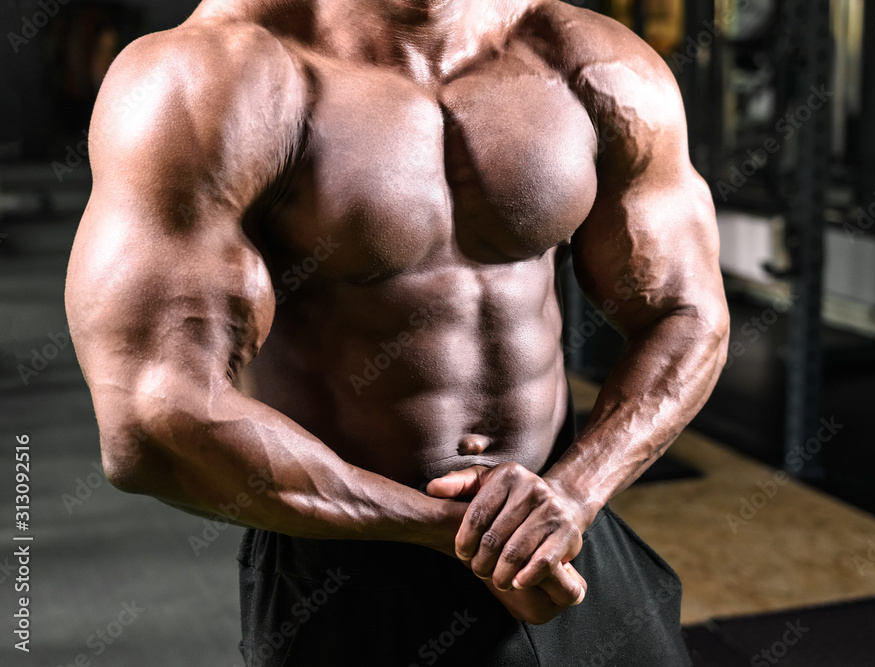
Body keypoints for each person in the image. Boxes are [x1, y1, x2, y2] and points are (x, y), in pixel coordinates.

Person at [65, 0, 729, 664]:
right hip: (349, 567)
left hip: (563, 526)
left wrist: (577, 491)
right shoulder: (210, 75)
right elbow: (149, 416)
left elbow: (688, 312)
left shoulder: (588, 59)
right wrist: (460, 533)